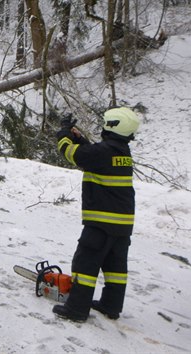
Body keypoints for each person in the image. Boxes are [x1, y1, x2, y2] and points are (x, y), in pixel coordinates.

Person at [52, 107, 141, 322]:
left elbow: (73, 154)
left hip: (101, 223)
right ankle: (111, 306)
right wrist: (81, 139)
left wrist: (64, 135)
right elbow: (93, 156)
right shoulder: (122, 153)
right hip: (122, 225)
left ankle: (76, 309)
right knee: (115, 267)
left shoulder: (103, 153)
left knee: (85, 264)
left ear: (111, 126)